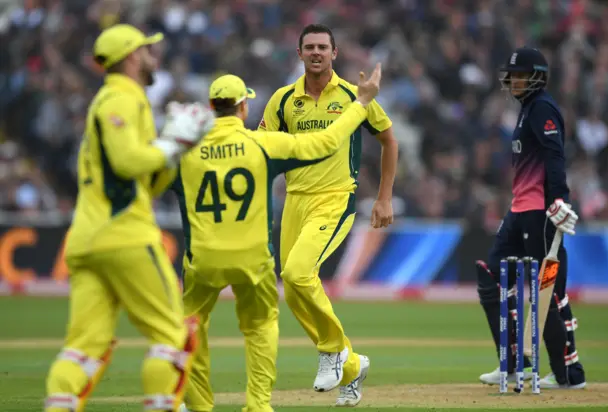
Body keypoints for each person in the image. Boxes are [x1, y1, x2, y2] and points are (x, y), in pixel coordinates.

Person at [174, 65, 383, 412]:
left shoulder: (186, 151)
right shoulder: (262, 144)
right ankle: (258, 406)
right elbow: (326, 142)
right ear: (243, 108)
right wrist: (360, 103)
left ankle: (196, 405)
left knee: (189, 326)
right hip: (251, 258)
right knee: (260, 329)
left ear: (211, 107)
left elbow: (143, 175)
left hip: (203, 258)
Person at [44, 24, 214, 412]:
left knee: (83, 349)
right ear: (133, 56)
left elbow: (146, 183)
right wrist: (172, 142)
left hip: (86, 239)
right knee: (174, 333)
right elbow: (127, 162)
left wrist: (175, 150)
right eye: (149, 51)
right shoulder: (123, 98)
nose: (156, 57)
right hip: (126, 235)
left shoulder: (111, 100)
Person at [259, 23, 398, 406]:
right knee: (293, 286)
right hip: (294, 200)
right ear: (300, 54)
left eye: (323, 47)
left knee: (299, 273)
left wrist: (384, 197)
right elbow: (264, 152)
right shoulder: (283, 100)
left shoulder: (355, 96)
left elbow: (388, 138)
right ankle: (352, 366)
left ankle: (332, 351)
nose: (317, 52)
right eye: (310, 47)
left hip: (335, 198)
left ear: (335, 53)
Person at [475, 46, 586, 389]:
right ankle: (511, 364)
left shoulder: (542, 109)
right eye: (513, 75)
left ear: (537, 76)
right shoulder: (527, 110)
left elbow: (555, 156)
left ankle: (568, 375)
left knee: (547, 292)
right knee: (491, 275)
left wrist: (558, 201)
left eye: (522, 74)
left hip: (540, 213)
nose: (515, 80)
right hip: (519, 210)